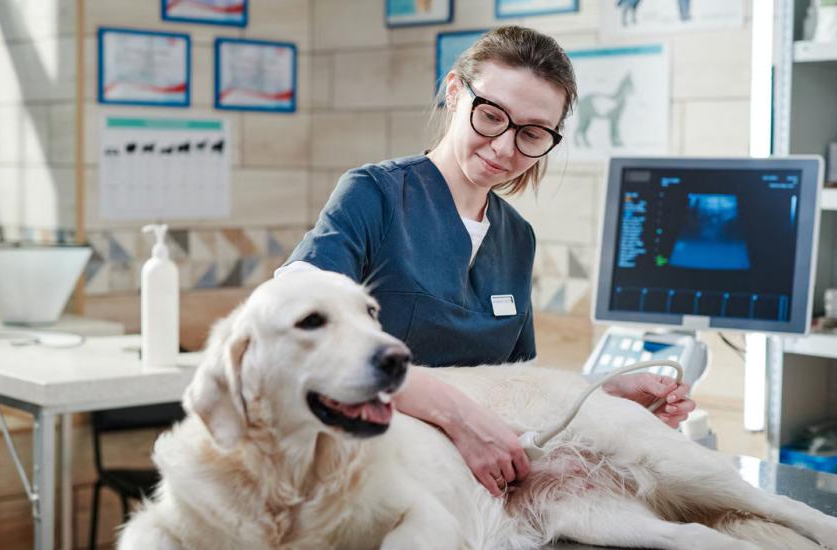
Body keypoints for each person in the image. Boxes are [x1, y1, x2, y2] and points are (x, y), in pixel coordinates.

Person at [276, 26, 695, 496]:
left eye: (532, 134)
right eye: (492, 116)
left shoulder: (517, 238)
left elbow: (520, 388)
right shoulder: (373, 196)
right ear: (455, 93)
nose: (504, 148)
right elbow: (294, 326)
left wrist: (601, 396)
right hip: (360, 480)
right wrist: (459, 417)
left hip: (473, 493)